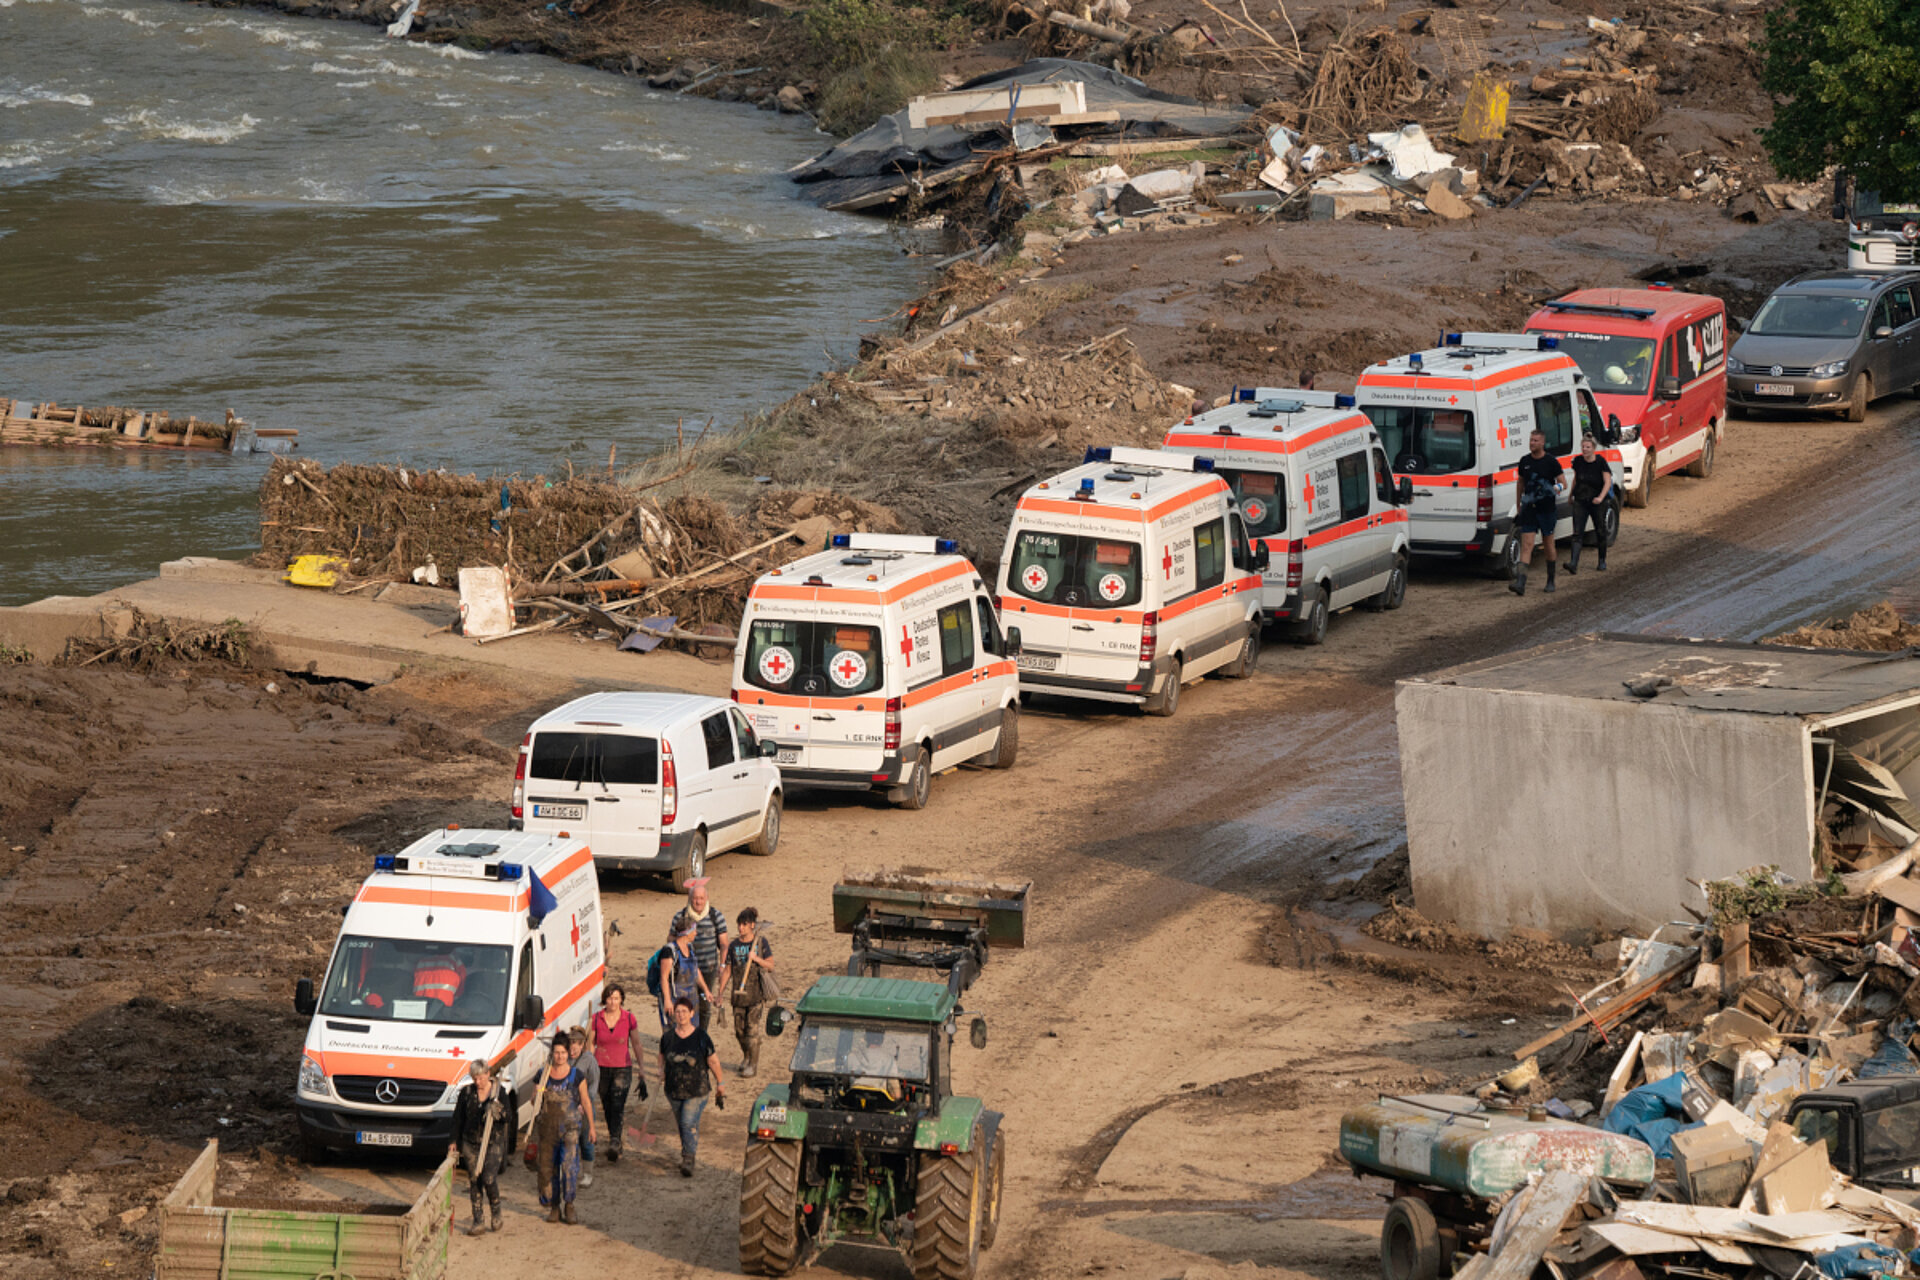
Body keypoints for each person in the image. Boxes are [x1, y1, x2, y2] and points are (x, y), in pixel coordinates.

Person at [659, 998, 724, 1177]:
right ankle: (688, 1148)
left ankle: (688, 1159)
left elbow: (713, 1061)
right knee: (684, 1124)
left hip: (697, 1090)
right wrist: (660, 1071)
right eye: (678, 1012)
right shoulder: (668, 1037)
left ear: (692, 1014)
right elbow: (662, 1055)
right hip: (673, 1090)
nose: (681, 1015)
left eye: (684, 1012)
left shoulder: (701, 1036)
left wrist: (721, 1083)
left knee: (687, 1122)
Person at [534, 1037, 595, 1225]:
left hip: (570, 1131)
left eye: (563, 1053)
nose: (560, 1056)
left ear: (569, 1054)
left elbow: (585, 1101)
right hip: (547, 1132)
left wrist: (592, 1127)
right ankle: (554, 1207)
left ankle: (569, 1205)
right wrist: (538, 1093)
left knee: (569, 1168)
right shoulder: (543, 1074)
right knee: (548, 1170)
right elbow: (533, 1102)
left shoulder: (577, 1075)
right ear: (552, 1053)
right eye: (557, 1052)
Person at [590, 985, 647, 1163]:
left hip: (622, 1066)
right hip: (600, 1067)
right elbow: (590, 1043)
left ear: (621, 999)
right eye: (609, 998)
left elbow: (636, 1044)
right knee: (607, 1105)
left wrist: (642, 1068)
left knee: (617, 1102)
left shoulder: (629, 1018)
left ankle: (615, 1140)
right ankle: (615, 1137)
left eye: (616, 998)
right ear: (604, 1000)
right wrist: (587, 1066)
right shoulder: (596, 1018)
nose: (612, 1002)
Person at [451, 1060, 508, 1235]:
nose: (478, 1082)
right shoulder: (466, 1093)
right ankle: (478, 1220)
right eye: (475, 1078)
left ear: (488, 1075)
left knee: (488, 1178)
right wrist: (453, 1142)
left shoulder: (499, 1093)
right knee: (475, 1179)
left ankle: (496, 1211)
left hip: (493, 1142)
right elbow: (457, 1119)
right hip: (470, 1142)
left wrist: (500, 1112)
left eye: (481, 1078)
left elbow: (509, 1118)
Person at [1509, 428, 1565, 597]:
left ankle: (1550, 580)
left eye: (1535, 440)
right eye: (1531, 440)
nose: (1531, 443)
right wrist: (1518, 503)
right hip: (1529, 509)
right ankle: (1521, 583)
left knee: (1548, 544)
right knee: (1527, 544)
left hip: (1546, 509)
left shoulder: (1551, 462)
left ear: (1542, 443)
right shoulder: (1524, 461)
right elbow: (1520, 483)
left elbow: (1563, 482)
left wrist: (1556, 488)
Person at [671, 879, 730, 1033]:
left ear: (707, 899)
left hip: (708, 968)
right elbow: (670, 941)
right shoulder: (680, 916)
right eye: (695, 898)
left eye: (701, 898)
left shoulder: (716, 916)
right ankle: (686, 1033)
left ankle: (701, 1035)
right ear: (690, 899)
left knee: (705, 1004)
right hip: (686, 970)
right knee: (686, 1004)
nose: (698, 902)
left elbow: (724, 944)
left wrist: (723, 965)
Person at [725, 908, 775, 1079]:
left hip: (755, 997)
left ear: (752, 925)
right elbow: (728, 970)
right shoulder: (733, 946)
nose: (741, 928)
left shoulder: (761, 943)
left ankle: (752, 1065)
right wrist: (720, 991)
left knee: (752, 1032)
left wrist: (756, 959)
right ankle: (747, 1055)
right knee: (739, 1032)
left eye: (744, 924)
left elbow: (770, 965)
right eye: (739, 924)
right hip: (738, 997)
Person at [1564, 433, 1614, 574]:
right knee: (1577, 532)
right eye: (1583, 446)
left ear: (1593, 448)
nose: (1585, 449)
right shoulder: (1578, 461)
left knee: (1600, 530)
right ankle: (1573, 563)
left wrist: (1600, 497)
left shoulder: (1600, 462)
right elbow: (1576, 479)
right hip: (1581, 500)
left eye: (1588, 447)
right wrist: (1571, 495)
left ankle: (1602, 560)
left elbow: (1607, 481)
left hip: (1597, 502)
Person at [660, 916, 714, 1032]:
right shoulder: (669, 951)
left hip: (691, 999)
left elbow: (696, 970)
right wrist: (667, 1000)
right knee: (675, 1033)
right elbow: (664, 977)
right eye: (694, 930)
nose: (696, 933)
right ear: (687, 933)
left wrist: (705, 990)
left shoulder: (690, 947)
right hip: (675, 1000)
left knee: (691, 1031)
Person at [565, 1027, 600, 1189]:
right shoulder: (562, 1058)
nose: (572, 1050)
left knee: (586, 1139)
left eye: (575, 1046)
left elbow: (594, 1084)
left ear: (582, 1045)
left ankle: (587, 1173)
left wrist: (585, 1101)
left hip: (583, 1106)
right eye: (570, 1046)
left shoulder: (589, 1060)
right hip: (566, 1106)